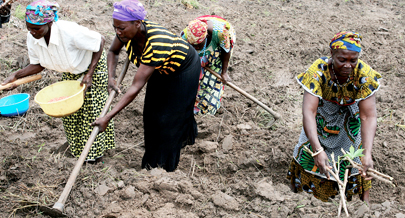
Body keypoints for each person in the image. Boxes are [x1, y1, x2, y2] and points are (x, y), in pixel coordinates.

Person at [92, 0, 200, 172]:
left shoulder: (156, 43)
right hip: (159, 68)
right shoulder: (125, 32)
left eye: (121, 28)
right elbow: (113, 51)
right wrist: (110, 78)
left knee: (171, 119)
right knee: (152, 114)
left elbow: (135, 87)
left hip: (183, 70)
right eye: (115, 28)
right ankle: (151, 159)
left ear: (137, 23)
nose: (117, 32)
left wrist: (108, 116)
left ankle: (165, 167)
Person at [1, 0, 115, 163]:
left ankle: (94, 157)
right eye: (29, 28)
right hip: (70, 69)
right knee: (69, 112)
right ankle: (76, 148)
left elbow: (100, 41)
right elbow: (38, 64)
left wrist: (89, 74)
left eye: (36, 28)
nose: (32, 32)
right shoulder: (32, 37)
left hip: (91, 67)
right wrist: (16, 75)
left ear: (49, 23)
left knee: (91, 110)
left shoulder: (69, 32)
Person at [286, 31, 381, 204]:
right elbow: (309, 112)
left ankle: (363, 203)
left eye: (353, 60)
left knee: (356, 160)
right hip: (322, 119)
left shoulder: (364, 75)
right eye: (342, 60)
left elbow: (368, 116)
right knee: (306, 152)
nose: (348, 65)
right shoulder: (318, 71)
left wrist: (367, 153)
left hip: (349, 121)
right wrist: (317, 149)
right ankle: (295, 197)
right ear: (332, 54)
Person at [180, 15, 236, 115]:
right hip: (205, 44)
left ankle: (207, 105)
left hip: (221, 46)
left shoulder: (220, 34)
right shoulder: (185, 36)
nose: (195, 47)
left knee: (213, 76)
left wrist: (224, 72)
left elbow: (226, 51)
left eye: (198, 45)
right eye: (192, 44)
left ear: (207, 37)